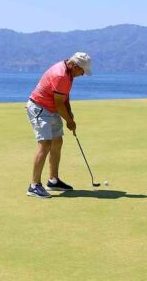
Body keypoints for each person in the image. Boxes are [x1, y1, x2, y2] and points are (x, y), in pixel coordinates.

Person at [25, 52, 92, 198]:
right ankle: (34, 185)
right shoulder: (61, 75)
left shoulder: (69, 73)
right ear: (75, 66)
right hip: (39, 108)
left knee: (57, 141)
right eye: (82, 71)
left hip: (52, 108)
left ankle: (53, 180)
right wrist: (69, 121)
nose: (82, 74)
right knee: (45, 144)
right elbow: (59, 103)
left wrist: (70, 113)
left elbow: (64, 97)